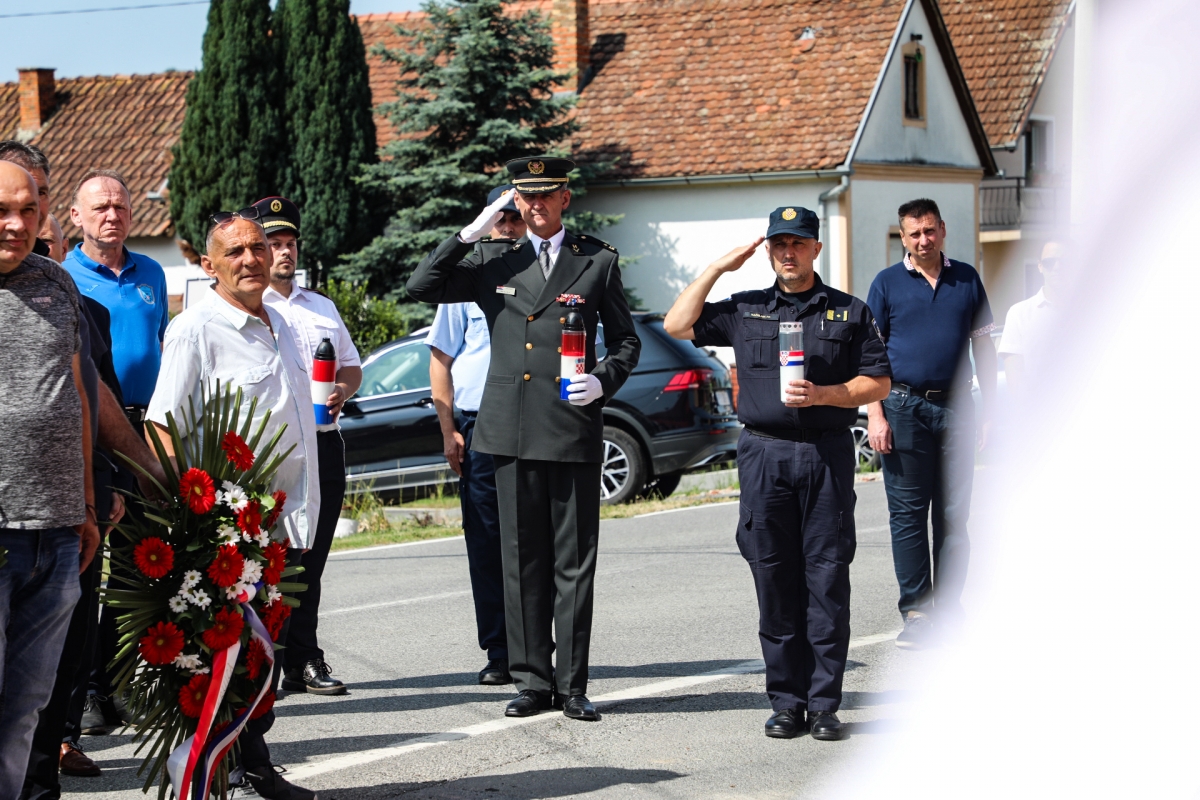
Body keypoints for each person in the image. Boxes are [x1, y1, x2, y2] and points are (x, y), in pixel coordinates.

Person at [407, 157, 640, 722]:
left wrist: (602, 380)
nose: (535, 205)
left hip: (570, 425)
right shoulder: (494, 258)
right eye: (524, 196)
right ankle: (533, 680)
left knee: (572, 562)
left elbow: (626, 341)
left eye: (545, 194)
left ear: (564, 198)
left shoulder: (596, 260)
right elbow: (421, 286)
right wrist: (471, 231)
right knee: (520, 560)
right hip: (508, 429)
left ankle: (573, 684)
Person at [663, 206, 891, 740]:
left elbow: (878, 382)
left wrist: (825, 394)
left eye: (799, 243)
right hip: (764, 455)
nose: (789, 253)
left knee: (827, 580)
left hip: (825, 455)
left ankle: (825, 705)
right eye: (780, 244)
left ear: (816, 249)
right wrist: (718, 267)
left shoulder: (848, 311)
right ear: (768, 250)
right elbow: (677, 324)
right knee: (773, 579)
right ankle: (787, 702)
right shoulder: (746, 308)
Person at [145, 211, 318, 800]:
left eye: (258, 247)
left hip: (286, 519)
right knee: (230, 653)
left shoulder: (281, 320)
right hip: (230, 529)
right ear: (208, 264)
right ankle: (234, 767)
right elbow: (162, 426)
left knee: (268, 650)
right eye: (235, 251)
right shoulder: (195, 329)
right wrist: (187, 520)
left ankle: (249, 761)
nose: (250, 259)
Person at [0, 160, 100, 799]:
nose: (16, 224)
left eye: (27, 210)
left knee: (25, 711)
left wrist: (86, 504)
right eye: (1, 211)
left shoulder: (56, 281)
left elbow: (78, 395)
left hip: (60, 533)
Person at [63, 168, 170, 729]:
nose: (112, 215)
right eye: (100, 207)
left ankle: (115, 682)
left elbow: (160, 344)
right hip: (90, 432)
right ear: (75, 216)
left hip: (144, 429)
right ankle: (79, 692)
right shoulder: (63, 276)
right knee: (87, 571)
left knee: (135, 568)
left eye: (120, 207)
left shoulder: (151, 272)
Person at [865, 198, 997, 649]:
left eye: (929, 230)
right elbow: (870, 356)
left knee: (955, 515)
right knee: (908, 516)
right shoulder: (885, 284)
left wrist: (990, 411)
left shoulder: (967, 279)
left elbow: (984, 349)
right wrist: (875, 413)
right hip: (902, 408)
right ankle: (918, 613)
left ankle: (950, 608)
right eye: (914, 234)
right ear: (903, 237)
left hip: (959, 409)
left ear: (941, 229)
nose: (923, 240)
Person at [257, 195, 361, 696]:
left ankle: (304, 659)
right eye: (274, 243)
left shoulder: (322, 307)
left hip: (323, 444)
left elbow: (351, 367)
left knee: (311, 557)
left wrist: (342, 389)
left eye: (290, 243)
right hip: (273, 450)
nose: (284, 252)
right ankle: (265, 660)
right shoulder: (249, 307)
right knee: (269, 557)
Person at [426, 184, 526, 687]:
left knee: (535, 538)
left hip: (532, 422)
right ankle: (500, 650)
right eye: (499, 217)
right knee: (486, 541)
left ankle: (538, 647)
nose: (507, 226)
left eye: (515, 216)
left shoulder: (550, 273)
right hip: (477, 423)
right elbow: (440, 358)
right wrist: (449, 431)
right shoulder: (465, 280)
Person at [999, 240, 1070, 396]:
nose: (1057, 267)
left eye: (1064, 261)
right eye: (1050, 262)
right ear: (1040, 266)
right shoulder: (1019, 314)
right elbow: (1015, 384)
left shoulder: (1093, 313)